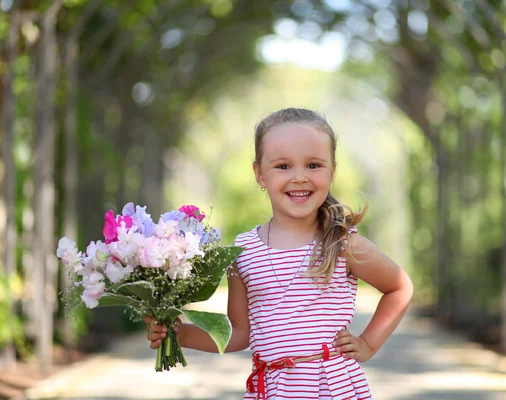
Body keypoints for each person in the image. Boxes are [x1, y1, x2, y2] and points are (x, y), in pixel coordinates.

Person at [145, 108, 414, 399]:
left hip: (332, 389)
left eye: (313, 165)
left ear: (332, 171)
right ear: (260, 174)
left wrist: (368, 343)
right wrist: (180, 333)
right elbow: (239, 334)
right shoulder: (243, 252)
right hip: (272, 390)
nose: (299, 177)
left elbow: (399, 287)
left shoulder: (341, 243)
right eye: (283, 166)